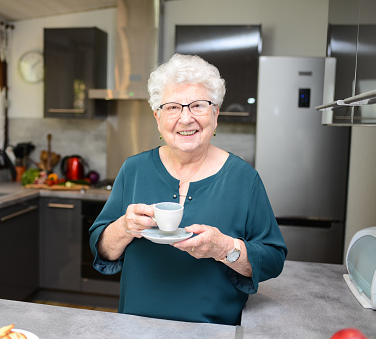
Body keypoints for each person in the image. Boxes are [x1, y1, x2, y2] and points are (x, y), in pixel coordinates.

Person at [89, 54, 287, 325]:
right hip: (136, 328)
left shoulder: (244, 178)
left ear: (215, 115)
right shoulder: (133, 170)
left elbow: (273, 259)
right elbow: (102, 250)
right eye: (172, 107)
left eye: (198, 106)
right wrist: (124, 227)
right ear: (158, 117)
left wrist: (224, 247)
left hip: (214, 331)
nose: (185, 119)